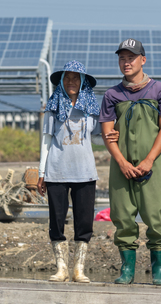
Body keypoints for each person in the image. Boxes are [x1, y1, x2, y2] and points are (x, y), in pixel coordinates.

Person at [100, 38, 161, 285]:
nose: (126, 62)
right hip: (121, 166)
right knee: (122, 215)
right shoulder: (112, 94)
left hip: (151, 166)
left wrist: (149, 160)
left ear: (143, 60)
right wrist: (121, 162)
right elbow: (107, 132)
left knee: (155, 214)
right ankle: (127, 269)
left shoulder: (160, 90)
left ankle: (158, 269)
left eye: (131, 58)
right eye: (122, 58)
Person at [37, 60, 114, 282]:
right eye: (67, 77)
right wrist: (41, 173)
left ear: (82, 82)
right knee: (56, 220)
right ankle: (61, 268)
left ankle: (78, 269)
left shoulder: (91, 109)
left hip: (85, 172)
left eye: (76, 77)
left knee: (84, 221)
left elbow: (99, 135)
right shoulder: (52, 107)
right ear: (61, 81)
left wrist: (112, 136)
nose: (71, 81)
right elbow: (46, 141)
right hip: (56, 172)